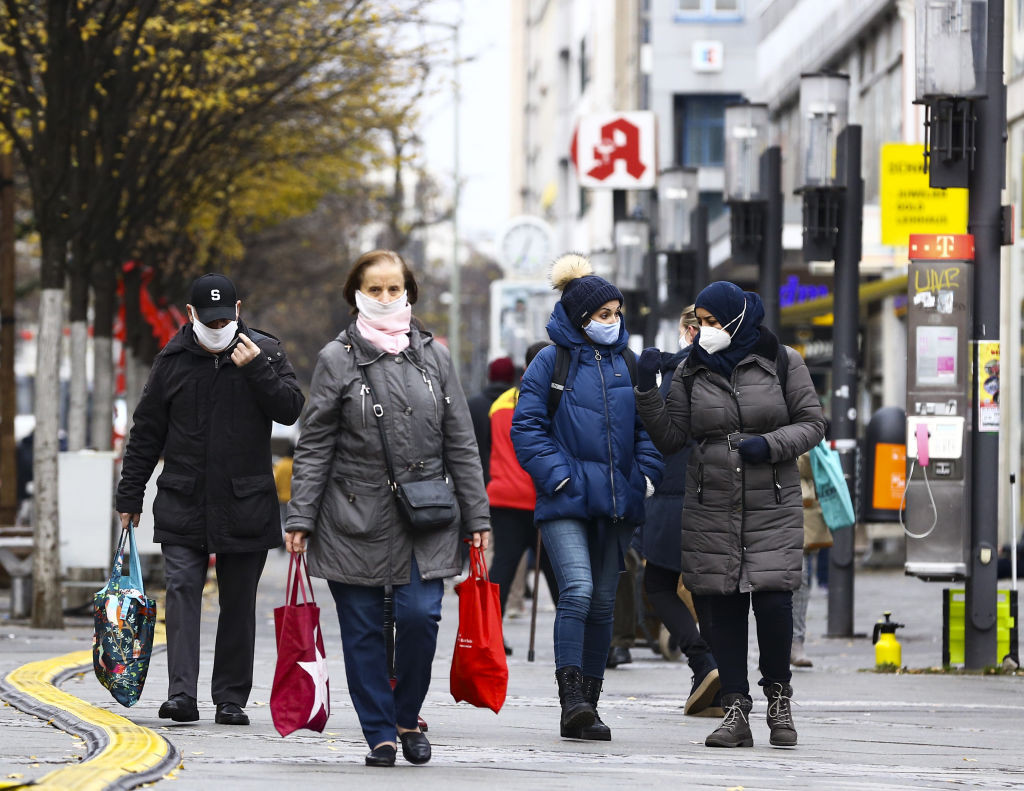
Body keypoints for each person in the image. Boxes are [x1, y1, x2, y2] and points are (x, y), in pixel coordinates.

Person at [284, 249, 491, 768]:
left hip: (427, 515)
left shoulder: (435, 357)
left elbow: (461, 443)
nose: (384, 298)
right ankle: (379, 730)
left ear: (409, 292)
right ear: (356, 294)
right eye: (373, 289)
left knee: (422, 618)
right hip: (352, 517)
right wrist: (301, 517)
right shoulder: (337, 358)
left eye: (393, 288)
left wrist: (479, 517)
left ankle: (406, 715)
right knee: (363, 632)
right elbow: (314, 445)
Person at [634, 280, 825, 749]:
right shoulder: (691, 369)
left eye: (713, 322)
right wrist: (646, 390)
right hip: (712, 500)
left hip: (771, 500)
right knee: (722, 605)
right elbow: (672, 437)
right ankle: (736, 709)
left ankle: (779, 701)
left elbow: (813, 423)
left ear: (737, 320)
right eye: (700, 323)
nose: (705, 331)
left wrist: (770, 444)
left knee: (775, 602)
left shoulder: (783, 361)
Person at [115, 273, 304, 727]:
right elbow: (146, 432)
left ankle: (230, 698)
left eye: (226, 318)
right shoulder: (172, 359)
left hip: (246, 502)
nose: (219, 327)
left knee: (239, 601)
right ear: (191, 314)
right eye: (209, 319)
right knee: (181, 590)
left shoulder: (267, 352)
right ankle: (181, 694)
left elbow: (291, 409)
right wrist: (131, 492)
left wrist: (256, 367)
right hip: (184, 497)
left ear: (238, 310)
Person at [511, 253, 663, 741]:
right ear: (581, 317)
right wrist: (559, 478)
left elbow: (649, 428)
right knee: (575, 590)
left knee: (601, 602)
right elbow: (527, 426)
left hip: (619, 501)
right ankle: (571, 698)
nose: (612, 322)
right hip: (566, 500)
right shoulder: (549, 360)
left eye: (617, 313)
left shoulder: (629, 363)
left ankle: (589, 707)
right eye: (603, 314)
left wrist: (645, 478)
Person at [632, 305, 721, 715]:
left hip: (672, 494)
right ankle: (718, 683)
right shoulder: (729, 373)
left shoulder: (672, 373)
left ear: (688, 332)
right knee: (711, 592)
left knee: (659, 585)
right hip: (719, 495)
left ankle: (704, 661)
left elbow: (658, 433)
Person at [486, 341, 559, 650]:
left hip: (503, 496)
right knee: (557, 572)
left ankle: (489, 634)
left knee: (502, 567)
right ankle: (574, 639)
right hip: (538, 496)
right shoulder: (549, 399)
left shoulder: (501, 402)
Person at [792, 450, 832, 668]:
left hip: (800, 505)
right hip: (762, 502)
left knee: (801, 575)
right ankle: (769, 645)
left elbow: (812, 463)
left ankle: (796, 641)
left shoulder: (804, 419)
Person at [468, 356, 517, 485]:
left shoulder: (472, 406)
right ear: (512, 377)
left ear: (489, 376)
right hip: (513, 486)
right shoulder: (521, 407)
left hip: (478, 482)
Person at [273, 443, 295, 538]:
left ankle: (283, 538)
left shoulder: (280, 464)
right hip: (295, 498)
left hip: (282, 498)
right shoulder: (296, 465)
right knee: (293, 520)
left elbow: (275, 481)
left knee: (282, 519)